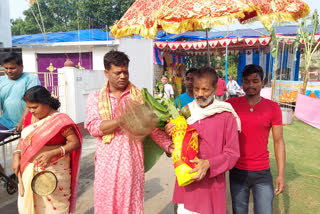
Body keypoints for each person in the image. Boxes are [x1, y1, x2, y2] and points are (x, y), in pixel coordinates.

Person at [85, 51, 174, 214]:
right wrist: (122, 120)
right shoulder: (95, 97)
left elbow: (152, 128)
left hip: (132, 163)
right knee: (106, 205)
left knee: (130, 206)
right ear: (106, 73)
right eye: (117, 72)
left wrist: (169, 146)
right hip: (106, 165)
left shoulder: (138, 97)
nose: (123, 76)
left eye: (125, 72)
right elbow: (93, 127)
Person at [166, 67, 241, 214]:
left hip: (212, 186)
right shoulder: (185, 112)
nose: (200, 94)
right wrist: (170, 135)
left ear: (215, 88)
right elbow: (174, 149)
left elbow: (233, 153)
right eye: (196, 89)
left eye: (205, 89)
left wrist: (208, 164)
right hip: (187, 185)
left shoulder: (226, 114)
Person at [11, 86, 82, 214]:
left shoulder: (60, 120)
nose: (32, 111)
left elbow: (75, 142)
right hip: (29, 169)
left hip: (56, 170)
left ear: (47, 103)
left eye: (35, 107)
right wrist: (16, 156)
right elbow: (23, 141)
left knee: (56, 209)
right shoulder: (29, 119)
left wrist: (53, 153)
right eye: (29, 107)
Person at [226, 64, 286, 214]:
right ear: (242, 83)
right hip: (238, 171)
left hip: (262, 173)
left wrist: (281, 174)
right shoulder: (231, 105)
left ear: (262, 82)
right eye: (246, 81)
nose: (250, 85)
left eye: (255, 81)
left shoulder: (273, 108)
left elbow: (278, 141)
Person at [0, 52, 40, 139]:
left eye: (12, 68)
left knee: (27, 149)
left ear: (21, 67)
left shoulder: (30, 79)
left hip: (29, 122)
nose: (8, 71)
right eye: (6, 68)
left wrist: (22, 122)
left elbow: (31, 102)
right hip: (5, 122)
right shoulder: (1, 80)